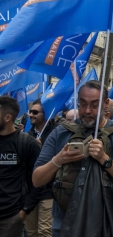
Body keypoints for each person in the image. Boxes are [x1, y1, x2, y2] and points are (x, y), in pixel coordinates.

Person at [33, 80, 113, 236]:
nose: (87, 111)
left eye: (94, 105)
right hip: (65, 224)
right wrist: (59, 159)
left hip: (108, 224)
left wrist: (104, 158)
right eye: (82, 104)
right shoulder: (60, 133)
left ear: (105, 105)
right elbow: (37, 179)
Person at [0, 96, 43, 237]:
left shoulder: (27, 143)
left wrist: (24, 212)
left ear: (7, 117)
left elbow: (38, 182)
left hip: (11, 217)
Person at [25, 100, 56, 237]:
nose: (31, 115)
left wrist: (42, 148)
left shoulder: (54, 135)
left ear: (46, 114)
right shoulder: (27, 136)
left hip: (48, 191)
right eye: (30, 112)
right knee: (31, 232)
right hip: (30, 192)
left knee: (45, 232)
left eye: (35, 112)